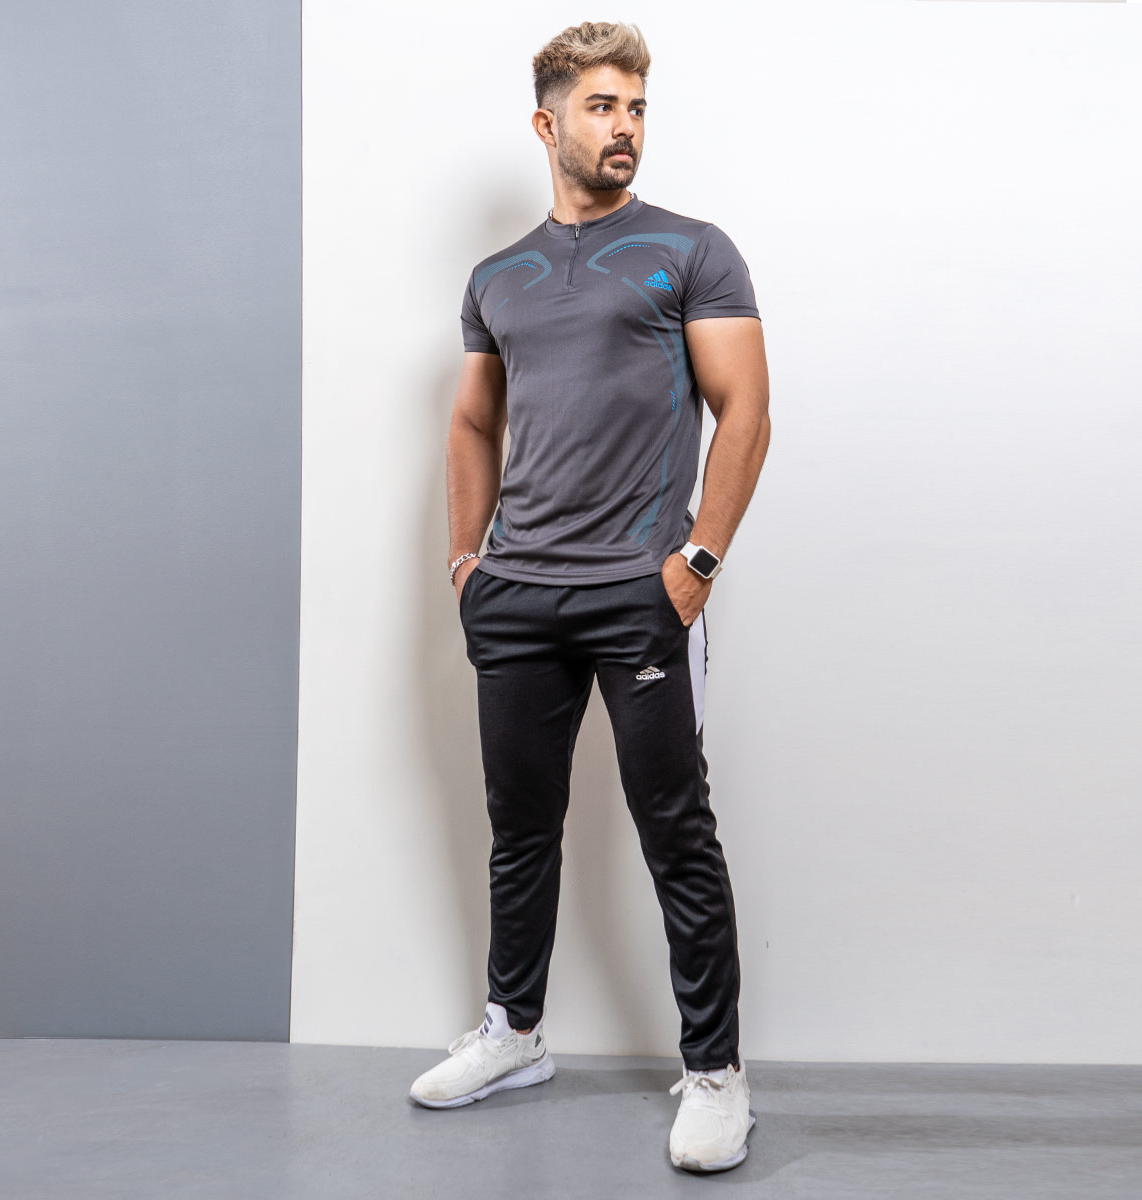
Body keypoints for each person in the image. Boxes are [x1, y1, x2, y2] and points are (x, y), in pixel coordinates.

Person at [410, 20, 771, 1174]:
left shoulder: (692, 251)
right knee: (519, 828)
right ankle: (514, 1032)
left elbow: (747, 409)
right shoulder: (498, 278)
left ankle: (715, 1074)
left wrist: (697, 562)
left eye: (637, 108)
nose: (625, 127)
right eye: (603, 106)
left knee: (676, 830)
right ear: (547, 122)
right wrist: (466, 561)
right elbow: (473, 422)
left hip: (639, 591)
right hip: (517, 593)